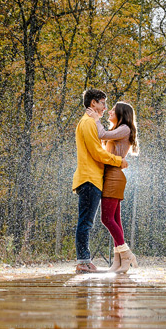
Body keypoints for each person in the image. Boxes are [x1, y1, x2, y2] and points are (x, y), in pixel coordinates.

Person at [72, 88, 127, 273]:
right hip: (89, 179)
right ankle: (83, 261)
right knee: (85, 222)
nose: (105, 107)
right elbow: (97, 153)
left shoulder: (90, 123)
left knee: (86, 221)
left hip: (92, 178)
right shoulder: (87, 123)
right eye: (102, 103)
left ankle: (85, 260)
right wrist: (118, 161)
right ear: (93, 103)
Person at [89, 101, 138, 273]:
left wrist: (95, 118)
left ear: (121, 113)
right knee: (115, 219)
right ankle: (118, 262)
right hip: (110, 175)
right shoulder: (119, 129)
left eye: (113, 110)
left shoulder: (124, 128)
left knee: (107, 219)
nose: (109, 111)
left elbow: (101, 135)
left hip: (114, 176)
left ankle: (127, 254)